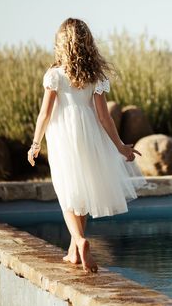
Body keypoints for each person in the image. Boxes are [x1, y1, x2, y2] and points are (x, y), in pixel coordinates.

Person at [27, 17, 149, 273]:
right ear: (87, 44)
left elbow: (44, 114)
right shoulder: (96, 77)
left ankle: (80, 241)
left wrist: (35, 143)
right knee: (81, 188)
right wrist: (120, 146)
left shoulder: (54, 76)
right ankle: (73, 251)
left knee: (67, 190)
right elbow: (105, 118)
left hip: (62, 136)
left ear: (61, 44)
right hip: (90, 134)